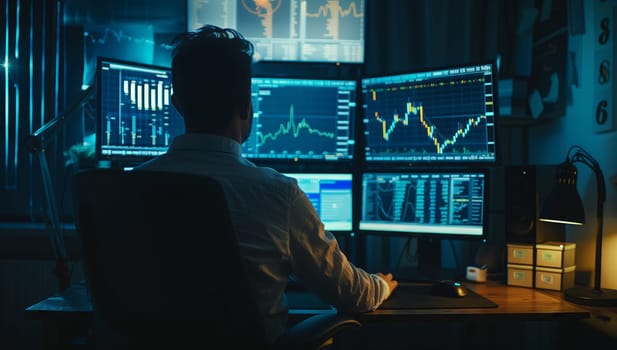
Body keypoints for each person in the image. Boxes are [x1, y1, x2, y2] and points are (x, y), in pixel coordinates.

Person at [136, 24, 398, 345]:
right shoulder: (277, 193)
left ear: (177, 104)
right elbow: (351, 294)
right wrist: (382, 284)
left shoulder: (128, 189)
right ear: (247, 106)